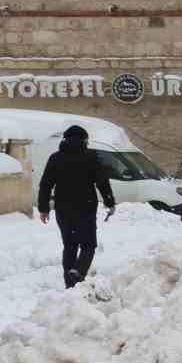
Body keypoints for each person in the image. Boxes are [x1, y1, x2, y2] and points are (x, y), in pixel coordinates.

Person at [37, 124, 116, 289]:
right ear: (84, 140)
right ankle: (78, 272)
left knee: (70, 246)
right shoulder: (91, 157)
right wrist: (109, 202)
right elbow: (102, 182)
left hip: (63, 209)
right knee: (88, 245)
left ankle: (70, 285)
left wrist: (43, 208)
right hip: (85, 208)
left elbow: (45, 185)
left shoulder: (55, 158)